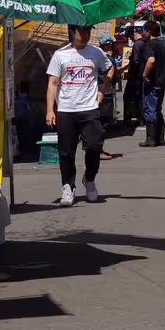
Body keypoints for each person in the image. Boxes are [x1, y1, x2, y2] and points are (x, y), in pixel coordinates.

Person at [46, 25, 114, 206]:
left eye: (88, 32)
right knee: (66, 153)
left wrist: (101, 91)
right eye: (81, 31)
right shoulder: (60, 55)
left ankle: (89, 180)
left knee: (93, 147)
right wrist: (50, 110)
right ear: (73, 32)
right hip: (66, 109)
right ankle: (68, 187)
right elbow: (52, 83)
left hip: (89, 108)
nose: (85, 35)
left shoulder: (96, 52)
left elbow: (109, 69)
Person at [139, 20, 165, 147]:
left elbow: (151, 60)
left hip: (152, 81)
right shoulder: (162, 46)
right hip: (161, 82)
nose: (142, 33)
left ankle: (151, 139)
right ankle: (160, 137)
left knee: (150, 108)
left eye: (144, 30)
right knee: (157, 108)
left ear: (148, 31)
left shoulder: (148, 46)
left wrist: (144, 74)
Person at [121, 23, 145, 126]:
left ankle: (131, 118)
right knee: (139, 97)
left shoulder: (137, 44)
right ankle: (139, 118)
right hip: (141, 75)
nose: (129, 38)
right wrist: (123, 69)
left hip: (135, 76)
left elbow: (135, 61)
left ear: (134, 33)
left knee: (129, 97)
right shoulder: (144, 42)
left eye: (129, 36)